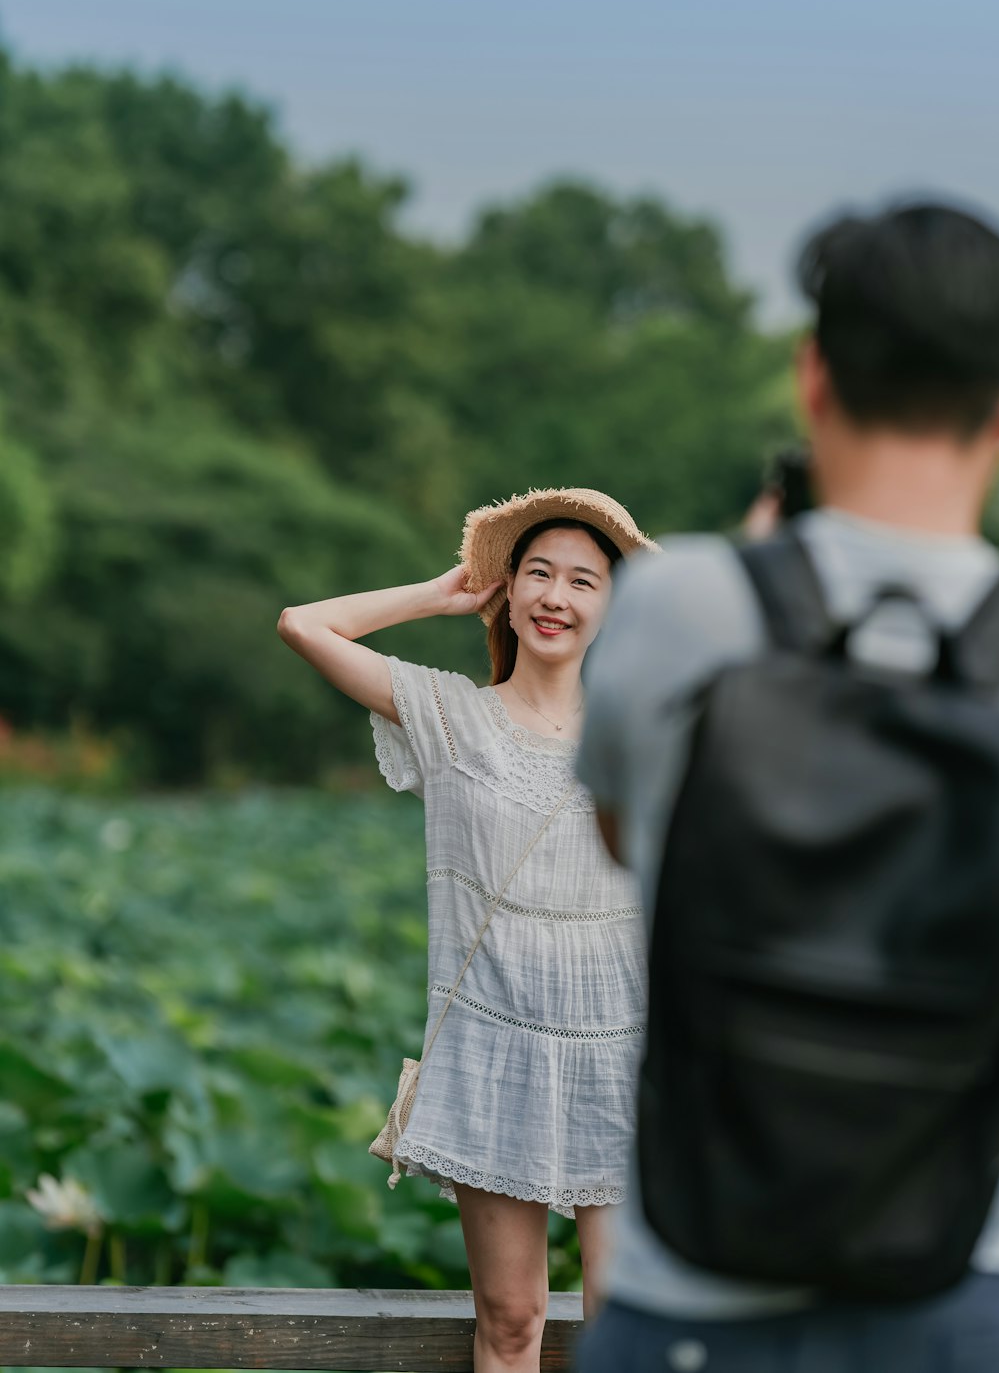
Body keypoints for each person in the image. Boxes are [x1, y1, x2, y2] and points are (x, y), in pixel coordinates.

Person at [575, 202, 999, 1372]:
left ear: (813, 374)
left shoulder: (683, 605)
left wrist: (763, 554)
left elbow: (619, 832)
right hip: (982, 1271)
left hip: (698, 1279)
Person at [277, 487, 655, 1373]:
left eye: (584, 580)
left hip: (625, 1054)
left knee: (628, 1323)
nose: (557, 596)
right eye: (538, 574)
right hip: (494, 1049)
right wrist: (437, 594)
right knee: (512, 1319)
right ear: (509, 591)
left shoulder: (643, 736)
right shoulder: (454, 718)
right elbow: (302, 624)